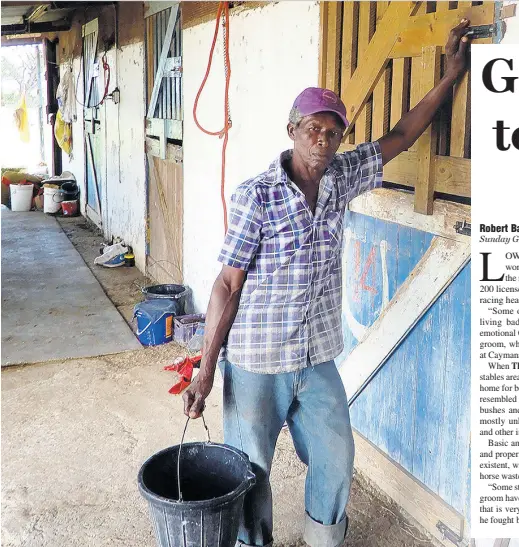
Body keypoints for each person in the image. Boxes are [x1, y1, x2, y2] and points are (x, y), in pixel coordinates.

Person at [183, 19, 473, 547]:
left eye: (332, 132)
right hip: (257, 360)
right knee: (250, 474)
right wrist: (206, 368)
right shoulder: (258, 195)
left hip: (316, 357)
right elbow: (227, 283)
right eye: (313, 128)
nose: (322, 139)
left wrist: (450, 77)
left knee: (337, 457)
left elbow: (403, 135)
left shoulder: (341, 177)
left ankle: (323, 541)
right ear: (292, 129)